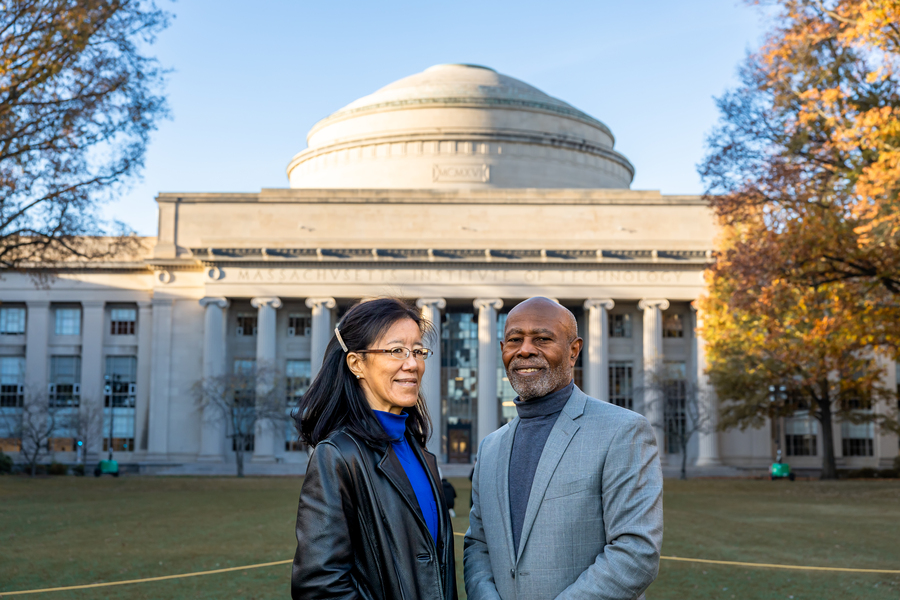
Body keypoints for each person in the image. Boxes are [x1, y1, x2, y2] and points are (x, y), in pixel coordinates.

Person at [464, 297, 663, 600]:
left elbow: (635, 552)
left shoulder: (622, 430)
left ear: (573, 351)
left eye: (542, 339)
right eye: (515, 340)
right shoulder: (490, 448)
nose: (525, 349)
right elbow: (478, 545)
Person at [291, 297, 457, 600]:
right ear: (356, 363)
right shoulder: (337, 454)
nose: (412, 364)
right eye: (396, 351)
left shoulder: (418, 451)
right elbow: (320, 586)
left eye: (418, 351)